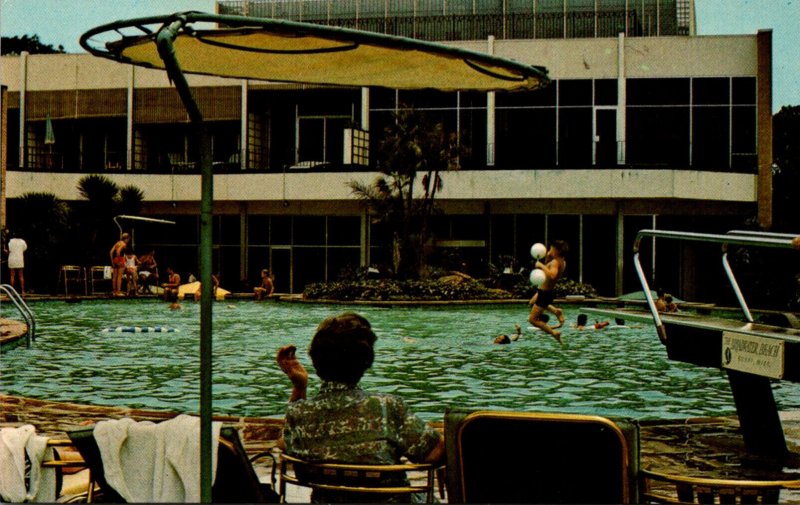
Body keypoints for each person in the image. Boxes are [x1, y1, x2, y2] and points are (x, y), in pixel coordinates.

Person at [275, 312, 445, 503]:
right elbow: (435, 453)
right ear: (365, 361)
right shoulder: (387, 408)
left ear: (316, 359)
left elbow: (284, 443)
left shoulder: (299, 413)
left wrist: (300, 387)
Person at [527, 240, 568, 344]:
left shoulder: (555, 262)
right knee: (531, 303)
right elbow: (548, 267)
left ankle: (554, 333)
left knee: (533, 320)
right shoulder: (561, 261)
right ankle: (556, 311)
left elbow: (552, 275)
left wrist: (541, 266)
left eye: (551, 249)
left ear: (557, 250)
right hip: (544, 291)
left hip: (545, 293)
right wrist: (548, 256)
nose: (549, 251)